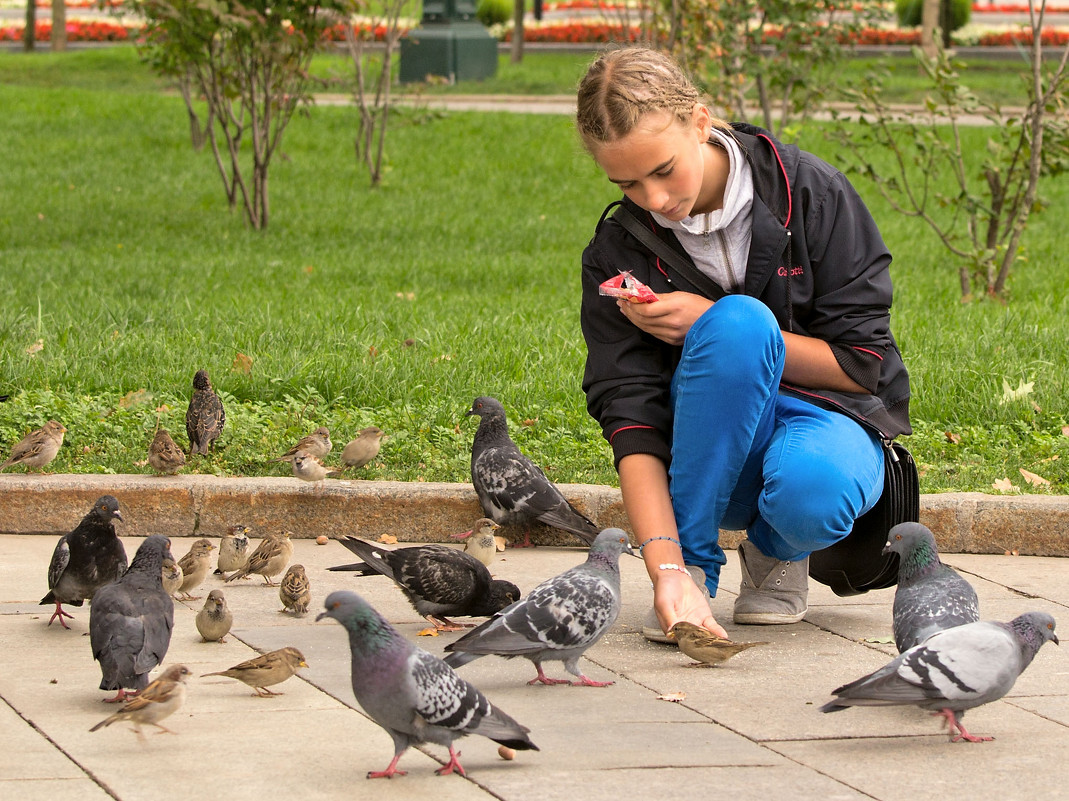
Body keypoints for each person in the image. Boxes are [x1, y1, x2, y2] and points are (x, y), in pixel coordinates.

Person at [576, 48, 911, 642]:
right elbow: (629, 415)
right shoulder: (616, 250)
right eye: (626, 182)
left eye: (663, 170)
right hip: (707, 453)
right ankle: (695, 571)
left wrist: (712, 320)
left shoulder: (813, 193)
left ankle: (776, 551)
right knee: (735, 329)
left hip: (827, 416)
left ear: (701, 123)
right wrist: (666, 568)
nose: (653, 199)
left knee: (741, 330)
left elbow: (865, 367)